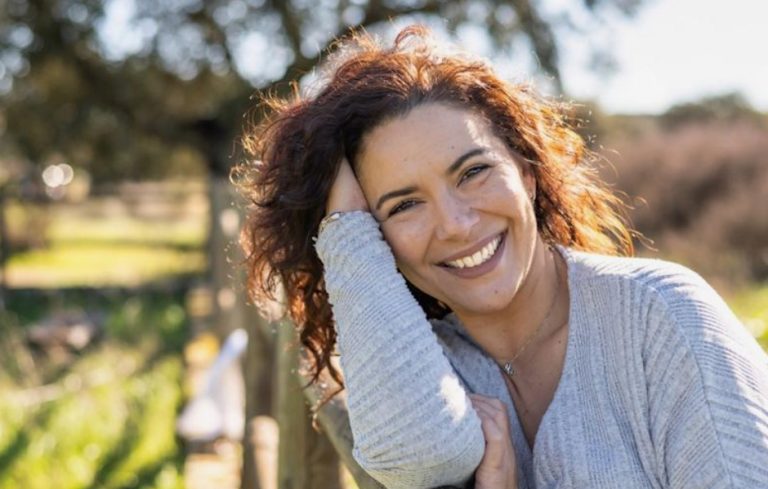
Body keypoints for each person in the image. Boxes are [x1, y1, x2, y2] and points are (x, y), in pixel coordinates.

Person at [237, 25, 768, 489]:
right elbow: (420, 458)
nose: (456, 224)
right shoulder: (423, 370)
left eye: (473, 172)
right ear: (376, 240)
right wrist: (345, 230)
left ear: (527, 173)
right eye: (404, 205)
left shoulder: (661, 318)